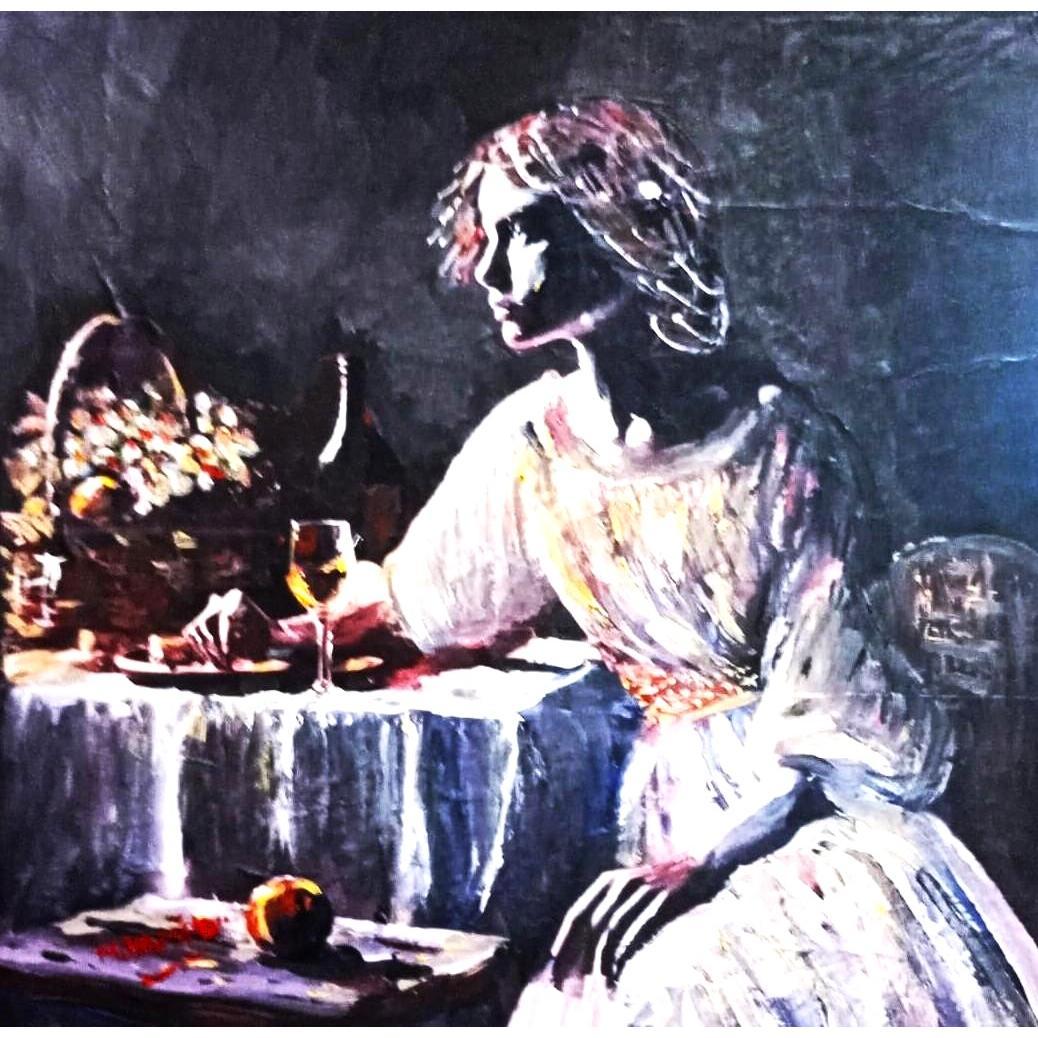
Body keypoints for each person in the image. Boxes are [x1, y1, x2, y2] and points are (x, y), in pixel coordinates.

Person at [186, 99, 1038, 1025]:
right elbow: (417, 600)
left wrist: (698, 864)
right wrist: (281, 632)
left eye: (523, 233)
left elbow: (825, 724)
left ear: (619, 230)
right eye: (485, 238)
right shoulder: (531, 442)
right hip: (667, 811)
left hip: (797, 822)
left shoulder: (782, 445)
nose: (490, 271)